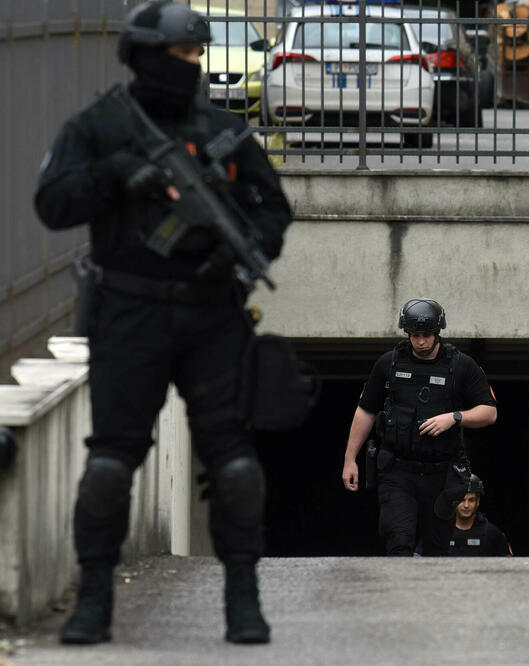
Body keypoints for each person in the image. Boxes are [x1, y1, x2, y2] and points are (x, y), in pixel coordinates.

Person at [34, 1, 292, 645]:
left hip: (212, 314)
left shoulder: (223, 130)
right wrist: (117, 176)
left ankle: (243, 596)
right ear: (144, 56)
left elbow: (274, 209)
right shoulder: (101, 126)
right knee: (111, 462)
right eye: (181, 54)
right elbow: (53, 202)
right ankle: (94, 599)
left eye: (197, 54)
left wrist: (234, 258)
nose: (192, 65)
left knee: (234, 462)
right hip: (130, 312)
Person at [342, 298, 498, 556]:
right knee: (399, 540)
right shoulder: (389, 363)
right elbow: (366, 410)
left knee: (437, 550)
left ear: (437, 333)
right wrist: (350, 459)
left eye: (427, 335)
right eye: (415, 335)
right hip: (398, 471)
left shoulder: (461, 365)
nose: (421, 341)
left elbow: (489, 412)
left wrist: (454, 417)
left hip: (441, 474)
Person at [448, 474, 513, 556]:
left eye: (471, 500)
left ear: (477, 501)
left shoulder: (491, 533)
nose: (466, 505)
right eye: (461, 500)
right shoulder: (440, 532)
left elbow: (508, 562)